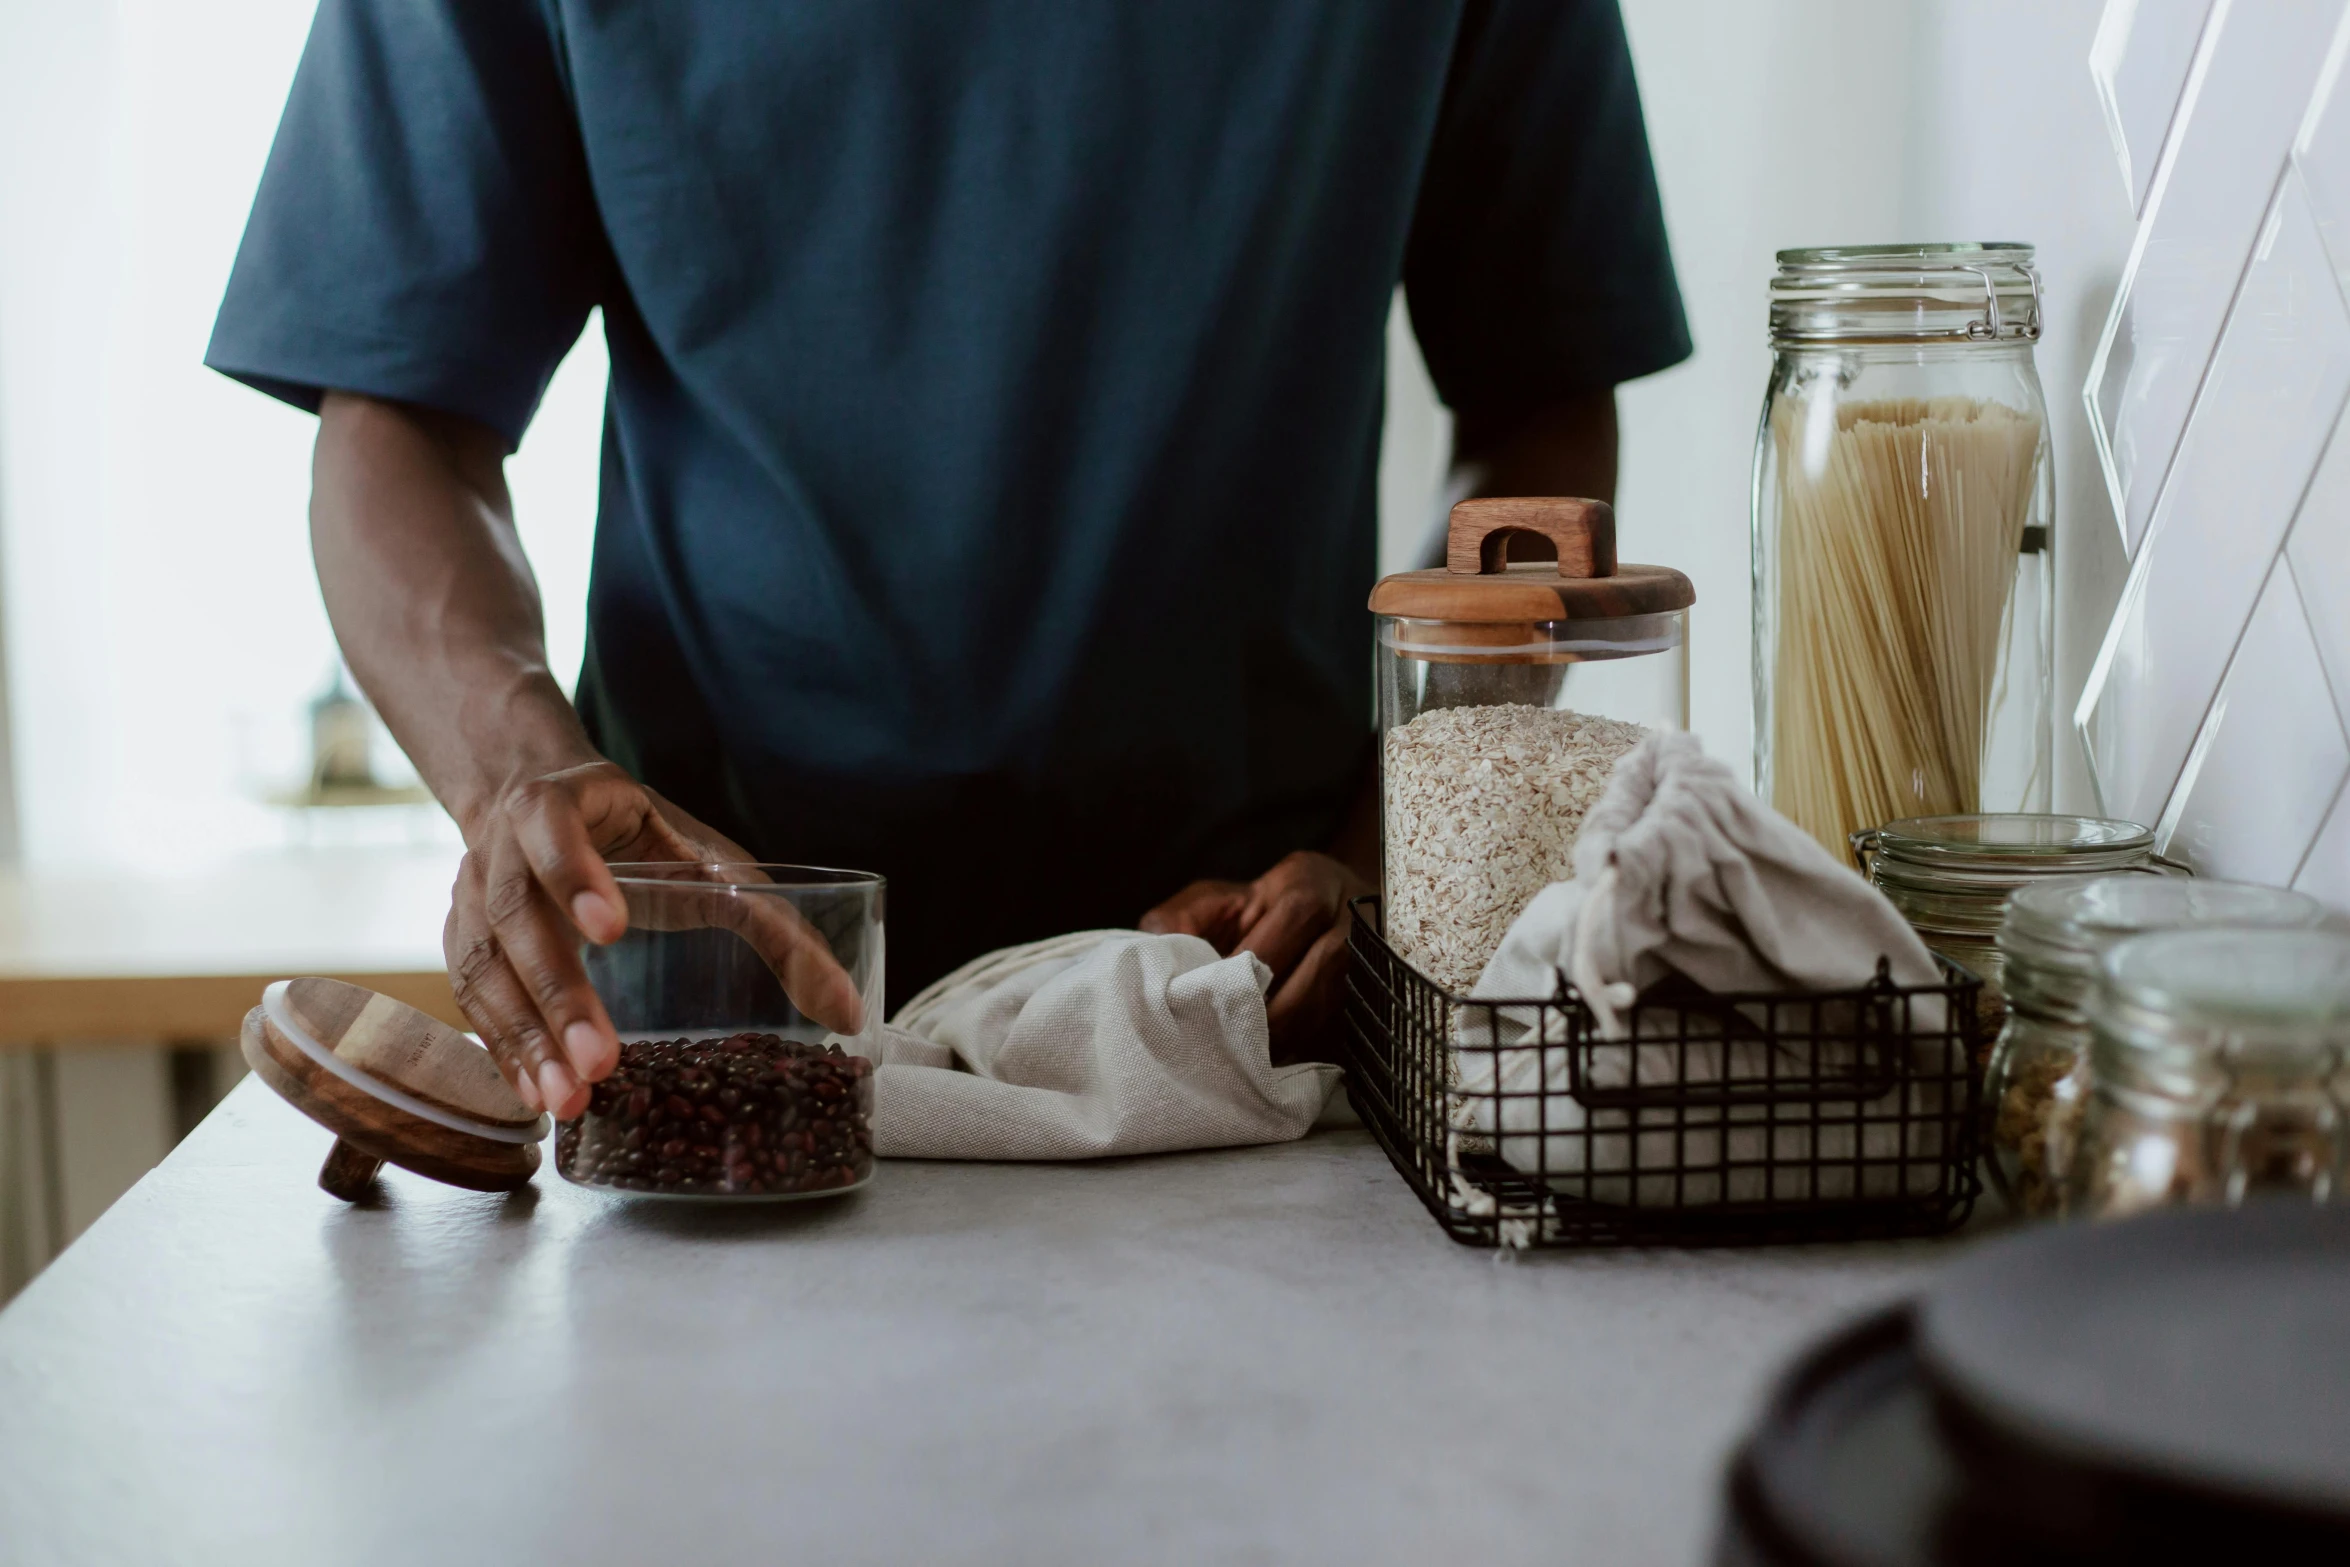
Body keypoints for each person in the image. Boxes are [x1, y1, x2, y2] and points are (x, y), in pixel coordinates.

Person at [207, 0, 1689, 1120]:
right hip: (715, 1000)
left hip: (1249, 1002)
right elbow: (398, 409)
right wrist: (511, 769)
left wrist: (1391, 851)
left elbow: (1538, 398)